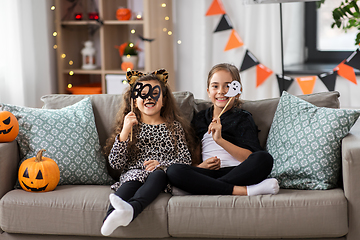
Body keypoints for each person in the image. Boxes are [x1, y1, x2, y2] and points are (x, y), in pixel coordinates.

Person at [101, 69, 194, 236]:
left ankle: (132, 209)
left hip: (161, 177)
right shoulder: (129, 127)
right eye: (142, 94)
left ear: (164, 100)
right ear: (134, 101)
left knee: (157, 175)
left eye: (155, 93)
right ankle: (110, 218)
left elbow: (185, 160)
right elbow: (115, 163)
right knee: (130, 184)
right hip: (134, 175)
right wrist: (124, 132)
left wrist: (162, 165)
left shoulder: (174, 127)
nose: (149, 97)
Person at [167, 63, 279, 196]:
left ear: (237, 92)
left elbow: (250, 157)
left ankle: (205, 188)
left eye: (228, 86)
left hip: (237, 172)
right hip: (208, 173)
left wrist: (220, 140)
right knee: (173, 171)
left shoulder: (243, 118)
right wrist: (201, 166)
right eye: (215, 86)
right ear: (208, 91)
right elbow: (194, 159)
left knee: (264, 159)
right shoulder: (201, 118)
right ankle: (241, 191)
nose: (221, 91)